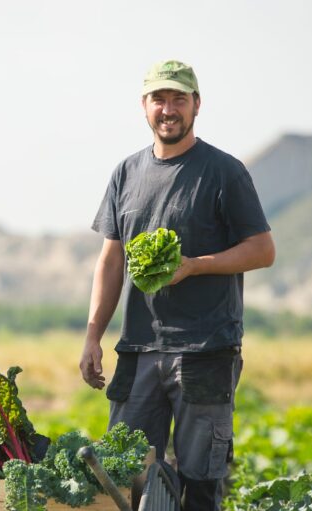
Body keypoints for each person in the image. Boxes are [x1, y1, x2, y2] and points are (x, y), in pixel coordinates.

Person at [79, 60, 275, 510]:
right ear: (144, 107)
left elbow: (263, 250)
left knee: (200, 480)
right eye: (159, 100)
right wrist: (93, 335)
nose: (169, 110)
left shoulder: (223, 171)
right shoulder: (125, 173)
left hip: (205, 350)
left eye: (179, 100)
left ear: (197, 105)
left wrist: (196, 265)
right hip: (139, 349)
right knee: (124, 472)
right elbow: (111, 261)